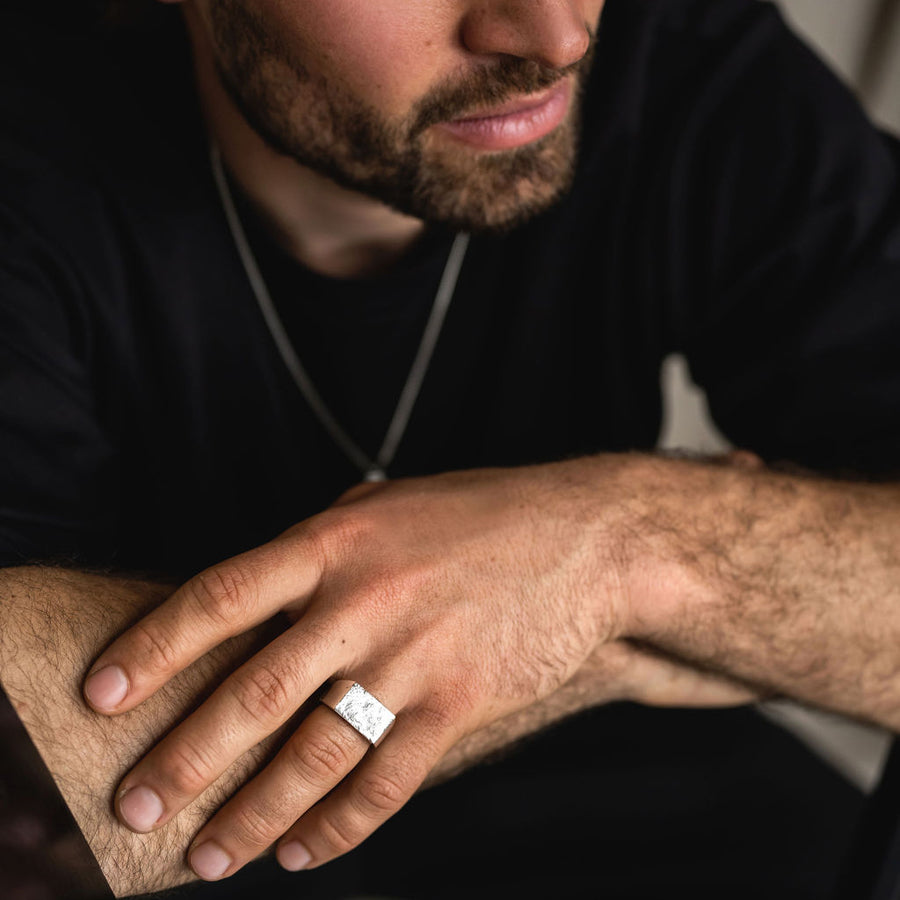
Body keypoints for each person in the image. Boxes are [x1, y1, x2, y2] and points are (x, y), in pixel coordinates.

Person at [0, 0, 898, 897]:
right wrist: (594, 639)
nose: (559, 38)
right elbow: (24, 790)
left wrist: (627, 552)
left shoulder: (691, 56)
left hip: (636, 809)